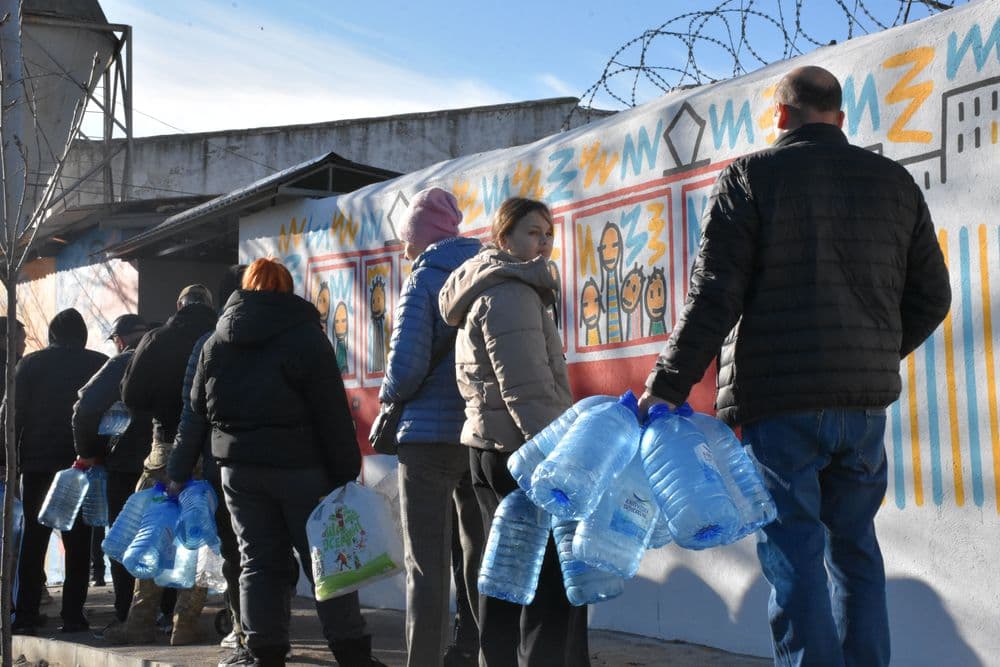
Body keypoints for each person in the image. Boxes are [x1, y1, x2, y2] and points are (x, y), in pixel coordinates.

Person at [638, 66, 952, 667]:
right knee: (855, 551)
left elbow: (714, 294)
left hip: (779, 405)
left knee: (794, 556)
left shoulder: (750, 177)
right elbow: (932, 296)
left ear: (780, 115)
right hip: (862, 408)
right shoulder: (893, 181)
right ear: (840, 117)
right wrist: (871, 355)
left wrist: (667, 385)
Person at [191, 258, 386, 667]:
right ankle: (351, 653)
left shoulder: (216, 341)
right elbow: (331, 411)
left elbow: (198, 404)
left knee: (258, 560)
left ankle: (264, 651)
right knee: (326, 559)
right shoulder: (306, 336)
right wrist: (344, 471)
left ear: (246, 287)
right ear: (287, 288)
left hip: (239, 470)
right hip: (301, 467)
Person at [439, 197, 589, 667]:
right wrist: (558, 457)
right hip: (523, 450)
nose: (543, 243)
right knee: (546, 581)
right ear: (504, 239)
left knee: (504, 573)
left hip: (492, 446)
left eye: (548, 233)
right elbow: (527, 390)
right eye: (532, 233)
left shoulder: (493, 288)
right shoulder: (512, 293)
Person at [377, 187, 483, 667]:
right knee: (478, 555)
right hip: (479, 434)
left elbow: (405, 370)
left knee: (427, 563)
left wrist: (387, 398)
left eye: (407, 240)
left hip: (426, 439)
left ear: (422, 237)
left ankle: (424, 660)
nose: (405, 250)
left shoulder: (424, 279)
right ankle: (480, 651)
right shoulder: (486, 271)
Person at [110, 285, 218, 645]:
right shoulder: (219, 336)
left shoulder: (156, 338)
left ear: (178, 305)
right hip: (208, 451)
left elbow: (130, 395)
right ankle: (185, 624)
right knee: (200, 538)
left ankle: (140, 622)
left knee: (153, 532)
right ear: (210, 306)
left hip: (164, 447)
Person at [165, 264, 254, 667]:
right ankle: (271, 626)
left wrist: (178, 472)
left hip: (226, 465)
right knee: (273, 551)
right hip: (287, 464)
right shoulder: (299, 333)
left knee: (236, 551)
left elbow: (193, 415)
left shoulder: (209, 343)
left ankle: (247, 632)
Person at [10, 308, 107, 634]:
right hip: (80, 465)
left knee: (33, 541)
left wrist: (7, 460)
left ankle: (25, 616)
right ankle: (73, 616)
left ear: (52, 334)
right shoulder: (98, 363)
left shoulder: (29, 364)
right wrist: (99, 454)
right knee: (78, 542)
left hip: (36, 465)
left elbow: (12, 415)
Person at [72, 313, 153, 637]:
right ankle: (165, 612)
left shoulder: (122, 362)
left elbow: (85, 407)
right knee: (164, 536)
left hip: (126, 465)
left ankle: (127, 614)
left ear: (120, 341)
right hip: (173, 462)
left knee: (124, 538)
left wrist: (89, 452)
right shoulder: (176, 355)